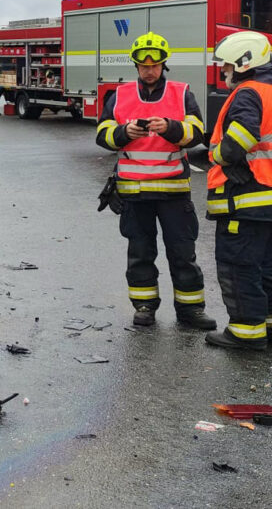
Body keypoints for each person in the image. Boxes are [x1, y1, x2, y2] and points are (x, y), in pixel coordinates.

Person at [95, 32, 215, 331]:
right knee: (140, 254)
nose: (150, 70)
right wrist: (123, 133)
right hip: (134, 193)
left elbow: (197, 134)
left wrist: (171, 127)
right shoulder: (120, 95)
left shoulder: (181, 93)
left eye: (155, 65)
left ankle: (191, 310)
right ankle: (144, 307)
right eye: (144, 65)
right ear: (136, 65)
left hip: (173, 192)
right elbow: (102, 135)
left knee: (183, 253)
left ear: (163, 64)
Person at [203, 31, 272, 350]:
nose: (223, 71)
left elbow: (240, 139)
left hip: (243, 201)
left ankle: (246, 332)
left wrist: (219, 156)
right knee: (266, 269)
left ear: (244, 63)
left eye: (227, 65)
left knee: (238, 267)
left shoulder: (247, 93)